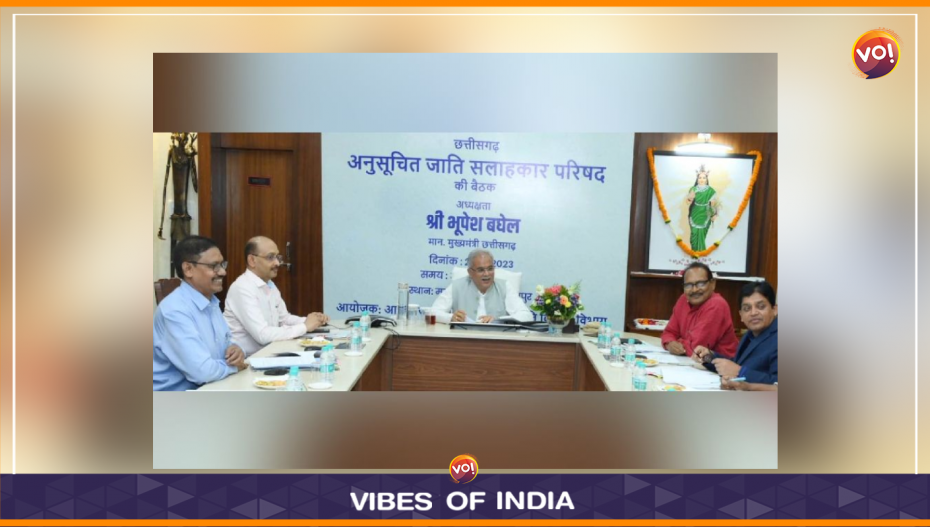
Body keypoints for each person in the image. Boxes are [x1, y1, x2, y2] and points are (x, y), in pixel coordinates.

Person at [154, 236, 247, 391]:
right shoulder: (174, 310)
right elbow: (202, 372)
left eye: (222, 264)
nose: (223, 272)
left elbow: (226, 344)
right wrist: (235, 367)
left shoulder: (211, 302)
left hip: (212, 387)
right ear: (188, 269)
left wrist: (237, 350)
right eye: (214, 266)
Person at [224, 236, 330, 356]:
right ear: (252, 260)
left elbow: (284, 319)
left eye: (278, 257)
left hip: (269, 353)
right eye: (270, 257)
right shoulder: (242, 288)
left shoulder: (269, 284)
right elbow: (262, 335)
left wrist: (313, 320)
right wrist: (304, 326)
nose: (277, 263)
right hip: (248, 361)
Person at [694, 281, 778, 385]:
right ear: (741, 315)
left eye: (760, 306)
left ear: (775, 310)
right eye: (747, 308)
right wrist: (710, 357)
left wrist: (740, 372)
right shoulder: (749, 334)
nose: (753, 313)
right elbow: (738, 364)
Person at [431, 249, 533, 324]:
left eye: (490, 269)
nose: (487, 274)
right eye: (481, 270)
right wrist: (451, 318)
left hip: (496, 341)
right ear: (470, 272)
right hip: (464, 340)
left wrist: (498, 320)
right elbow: (432, 312)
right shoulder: (457, 286)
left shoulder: (504, 287)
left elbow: (527, 316)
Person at [661, 262, 738, 359]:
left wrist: (677, 342)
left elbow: (696, 348)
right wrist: (670, 343)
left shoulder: (717, 305)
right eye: (688, 285)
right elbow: (668, 332)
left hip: (719, 365)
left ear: (713, 284)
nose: (694, 290)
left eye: (700, 284)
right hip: (691, 362)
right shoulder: (683, 299)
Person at [686, 165, 719, 252]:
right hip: (695, 212)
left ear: (707, 179)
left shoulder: (711, 190)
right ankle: (694, 253)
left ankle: (701, 254)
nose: (701, 179)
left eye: (704, 178)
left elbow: (714, 204)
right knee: (694, 234)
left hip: (705, 213)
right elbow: (688, 202)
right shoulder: (693, 189)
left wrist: (714, 214)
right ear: (697, 179)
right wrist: (689, 198)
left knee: (702, 234)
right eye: (700, 177)